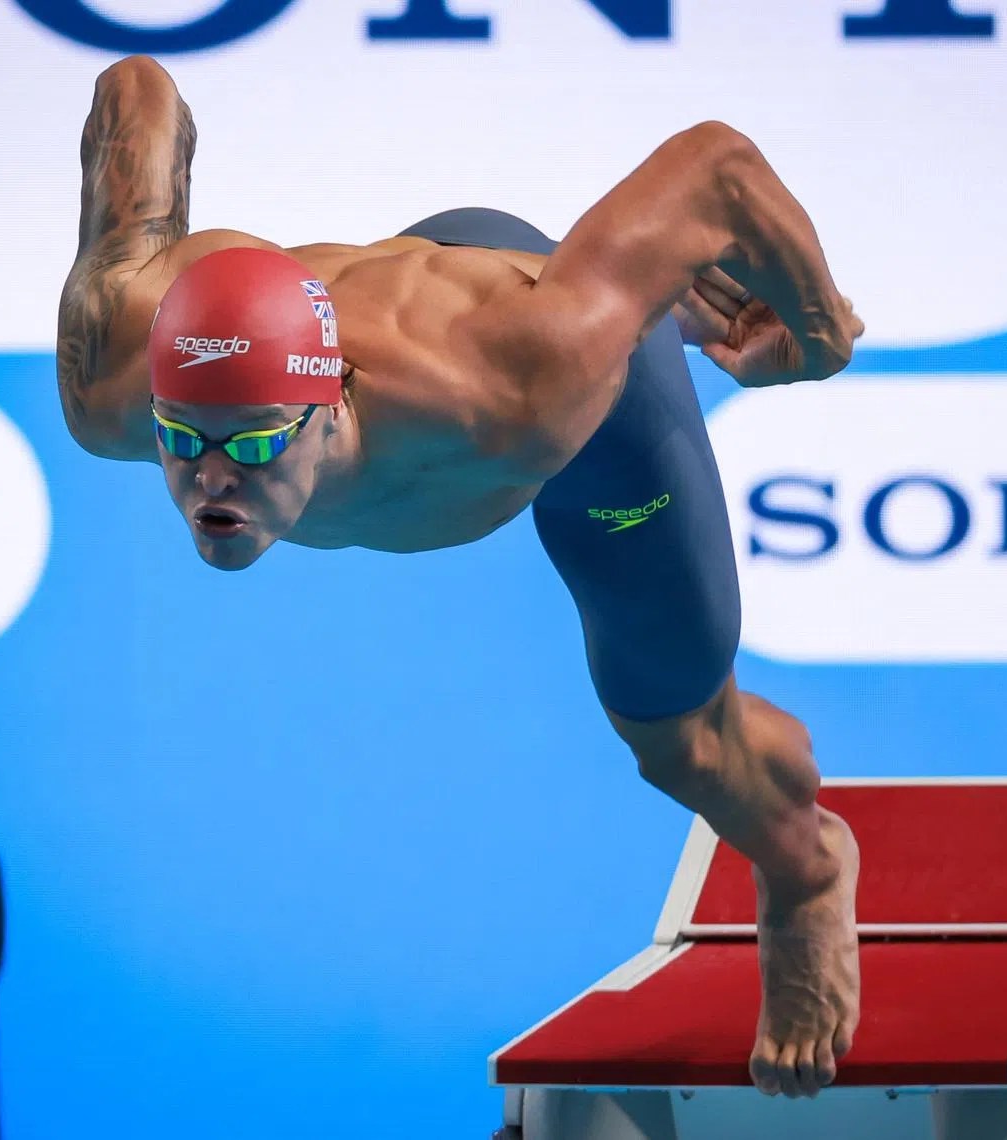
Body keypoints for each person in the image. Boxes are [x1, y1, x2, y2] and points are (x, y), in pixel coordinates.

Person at [56, 54, 865, 1101]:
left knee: (683, 745)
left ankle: (807, 873)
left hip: (577, 412)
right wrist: (143, 99)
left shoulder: (511, 384)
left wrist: (814, 327)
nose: (211, 481)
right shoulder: (110, 383)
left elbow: (715, 169)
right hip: (440, 283)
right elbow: (135, 98)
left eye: (253, 445)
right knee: (598, 297)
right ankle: (646, 288)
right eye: (184, 438)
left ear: (331, 398)